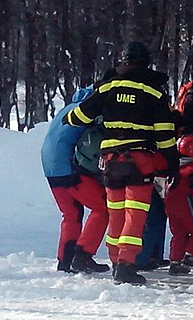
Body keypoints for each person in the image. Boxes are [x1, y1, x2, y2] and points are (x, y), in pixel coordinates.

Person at [63, 41, 178, 285]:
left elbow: (80, 115)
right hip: (140, 162)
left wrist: (69, 117)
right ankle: (126, 266)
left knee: (115, 213)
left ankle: (116, 260)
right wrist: (171, 163)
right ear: (146, 62)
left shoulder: (108, 87)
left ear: (123, 61)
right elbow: (165, 133)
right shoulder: (154, 92)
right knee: (134, 215)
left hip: (112, 162)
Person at [41, 79, 114, 273]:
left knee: (71, 214)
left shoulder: (67, 108)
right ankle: (82, 256)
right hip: (68, 169)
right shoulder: (89, 110)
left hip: (50, 168)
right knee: (104, 207)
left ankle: (65, 261)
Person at [164, 135, 193, 275]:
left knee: (178, 233)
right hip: (185, 201)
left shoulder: (174, 166)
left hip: (169, 202)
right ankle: (190, 256)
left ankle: (175, 262)